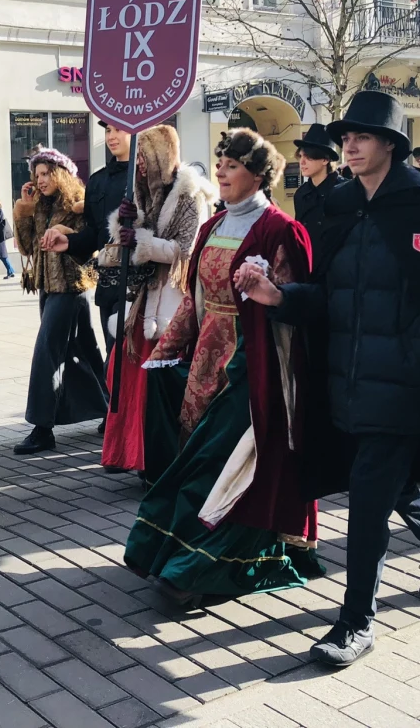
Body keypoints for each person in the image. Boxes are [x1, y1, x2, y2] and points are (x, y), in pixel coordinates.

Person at [238, 91, 420, 666]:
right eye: (346, 139)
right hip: (348, 378)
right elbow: (330, 298)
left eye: (362, 137)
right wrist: (278, 295)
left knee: (366, 501)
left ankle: (355, 622)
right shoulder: (339, 206)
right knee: (393, 486)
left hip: (406, 384)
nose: (351, 146)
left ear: (390, 144)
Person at [122, 128, 321, 606]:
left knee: (225, 463)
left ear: (257, 174)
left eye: (233, 166)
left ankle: (205, 568)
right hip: (207, 365)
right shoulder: (212, 227)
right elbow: (194, 303)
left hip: (257, 369)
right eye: (221, 165)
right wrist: (165, 351)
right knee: (199, 459)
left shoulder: (281, 230)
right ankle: (179, 554)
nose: (222, 173)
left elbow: (296, 311)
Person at [100, 124, 215, 474]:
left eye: (144, 157)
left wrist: (144, 241)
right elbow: (124, 241)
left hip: (173, 300)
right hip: (143, 297)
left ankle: (156, 458)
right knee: (126, 372)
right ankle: (127, 452)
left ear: (160, 156)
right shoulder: (139, 192)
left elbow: (187, 250)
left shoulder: (190, 196)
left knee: (157, 381)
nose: (139, 165)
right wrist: (123, 225)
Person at [12, 148, 109, 454]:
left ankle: (42, 428)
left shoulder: (78, 201)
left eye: (46, 173)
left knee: (46, 353)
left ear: (61, 173)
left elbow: (90, 243)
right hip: (48, 287)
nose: (40, 180)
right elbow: (27, 248)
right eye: (36, 175)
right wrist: (24, 212)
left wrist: (67, 231)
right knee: (87, 352)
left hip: (72, 287)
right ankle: (113, 410)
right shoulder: (40, 204)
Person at [49, 121, 131, 356]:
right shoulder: (97, 181)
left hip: (143, 285)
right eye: (108, 130)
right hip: (108, 283)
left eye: (118, 129)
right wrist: (70, 242)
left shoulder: (149, 178)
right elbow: (94, 232)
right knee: (113, 357)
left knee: (134, 363)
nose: (111, 136)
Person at [292, 124, 343, 267]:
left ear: (325, 160)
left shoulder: (344, 190)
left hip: (336, 269)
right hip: (307, 266)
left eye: (309, 157)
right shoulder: (301, 194)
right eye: (301, 156)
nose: (302, 162)